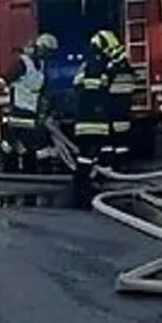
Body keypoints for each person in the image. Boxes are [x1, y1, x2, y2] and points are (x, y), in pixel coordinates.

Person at [0, 32, 58, 172]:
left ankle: (33, 176)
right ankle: (4, 170)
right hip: (19, 115)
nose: (48, 56)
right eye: (48, 52)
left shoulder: (41, 67)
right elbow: (3, 81)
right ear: (41, 48)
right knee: (29, 146)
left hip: (31, 115)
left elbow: (43, 91)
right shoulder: (23, 64)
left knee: (33, 149)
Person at [70, 30, 120, 208]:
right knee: (87, 156)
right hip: (93, 121)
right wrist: (113, 69)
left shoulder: (87, 65)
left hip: (90, 121)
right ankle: (82, 191)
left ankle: (96, 185)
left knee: (100, 153)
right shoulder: (95, 65)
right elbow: (97, 88)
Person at [101, 31, 137, 169]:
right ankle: (121, 165)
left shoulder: (113, 70)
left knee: (108, 139)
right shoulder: (128, 69)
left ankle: (108, 165)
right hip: (123, 108)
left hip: (112, 107)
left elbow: (104, 85)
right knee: (121, 140)